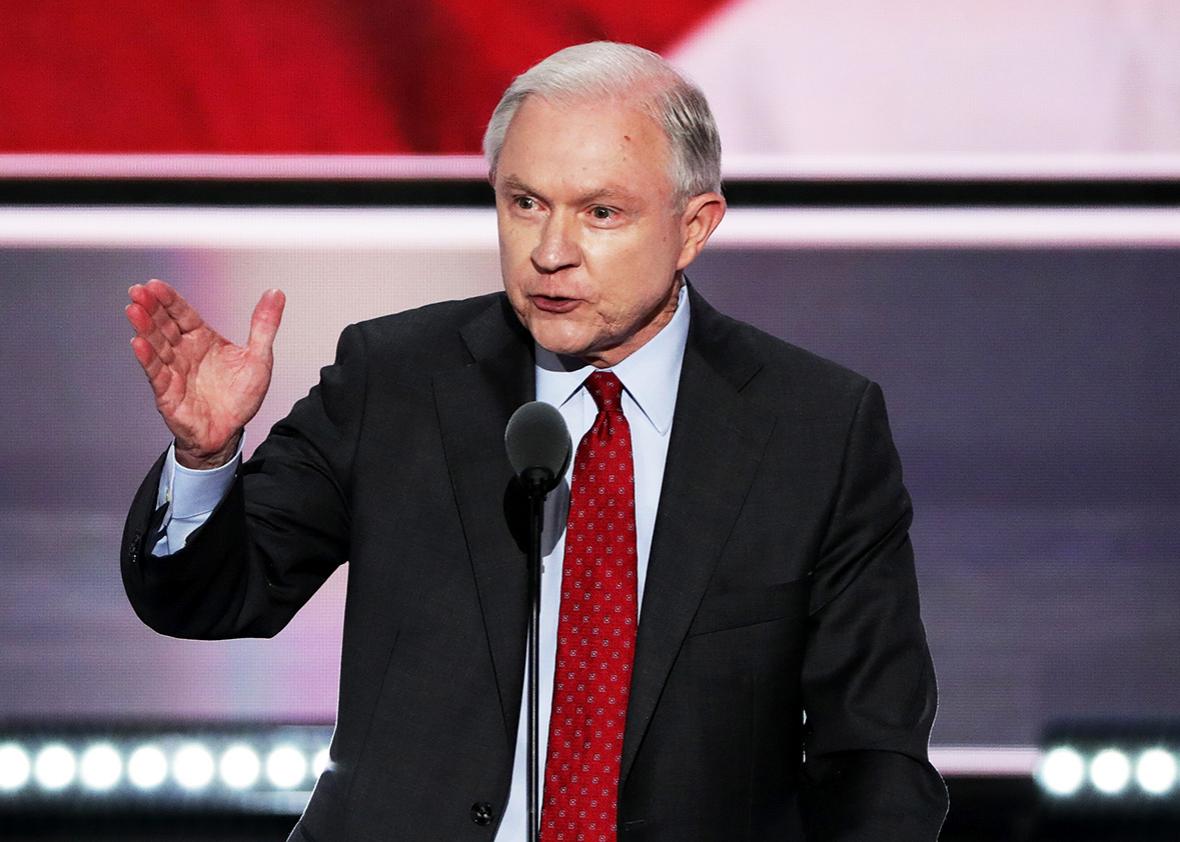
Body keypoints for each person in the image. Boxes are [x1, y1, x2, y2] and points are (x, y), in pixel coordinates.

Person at [123, 42, 948, 841]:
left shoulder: (815, 427)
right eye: (525, 204)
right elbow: (215, 596)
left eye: (600, 212)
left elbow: (872, 754)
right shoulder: (399, 379)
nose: (551, 253)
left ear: (694, 227)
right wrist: (207, 457)